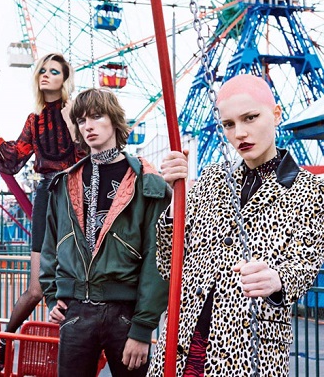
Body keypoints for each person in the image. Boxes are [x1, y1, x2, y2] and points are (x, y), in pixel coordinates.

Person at [147, 74, 324, 376]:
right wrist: (177, 197)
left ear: (276, 114)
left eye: (250, 118)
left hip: (248, 350)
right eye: (228, 124)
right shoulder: (212, 179)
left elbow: (305, 265)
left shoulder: (308, 190)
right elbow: (169, 265)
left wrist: (277, 279)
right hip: (183, 342)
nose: (240, 133)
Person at [40, 88, 170, 377]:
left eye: (97, 117)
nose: (88, 126)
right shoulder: (65, 183)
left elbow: (158, 256)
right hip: (75, 309)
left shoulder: (147, 182)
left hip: (125, 312)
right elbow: (51, 243)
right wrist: (51, 294)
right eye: (82, 120)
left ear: (114, 120)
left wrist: (143, 327)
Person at [0, 52, 84, 364]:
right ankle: (4, 341)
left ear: (65, 79)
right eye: (43, 70)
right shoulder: (35, 121)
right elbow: (13, 160)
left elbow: (87, 156)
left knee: (76, 283)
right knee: (36, 289)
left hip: (75, 196)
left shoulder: (77, 114)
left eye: (54, 71)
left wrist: (72, 121)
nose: (46, 75)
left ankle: (71, 356)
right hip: (47, 196)